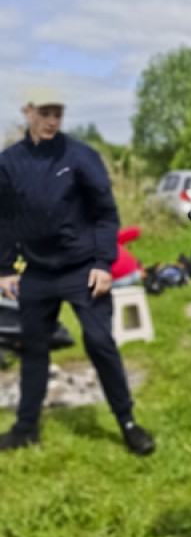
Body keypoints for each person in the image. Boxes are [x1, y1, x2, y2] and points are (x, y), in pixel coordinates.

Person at [0, 90, 155, 456]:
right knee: (34, 348)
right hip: (36, 272)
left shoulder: (81, 156)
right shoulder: (9, 163)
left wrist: (103, 264)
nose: (52, 120)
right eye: (45, 113)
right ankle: (25, 428)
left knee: (100, 342)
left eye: (58, 113)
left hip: (83, 270)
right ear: (28, 112)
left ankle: (128, 423)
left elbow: (105, 213)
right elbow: (4, 218)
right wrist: (5, 266)